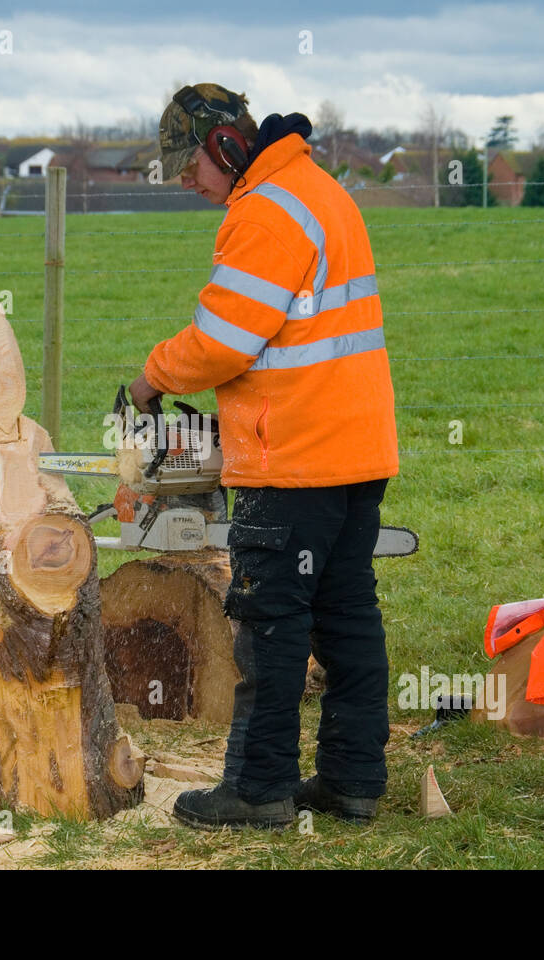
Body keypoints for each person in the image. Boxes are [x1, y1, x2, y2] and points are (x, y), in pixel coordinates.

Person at [128, 83, 399, 830]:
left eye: (192, 170)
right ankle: (351, 781)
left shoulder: (266, 210)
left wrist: (151, 377)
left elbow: (223, 340)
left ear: (223, 147)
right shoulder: (317, 190)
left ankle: (258, 786)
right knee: (346, 616)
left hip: (296, 454)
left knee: (270, 623)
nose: (190, 186)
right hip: (353, 445)